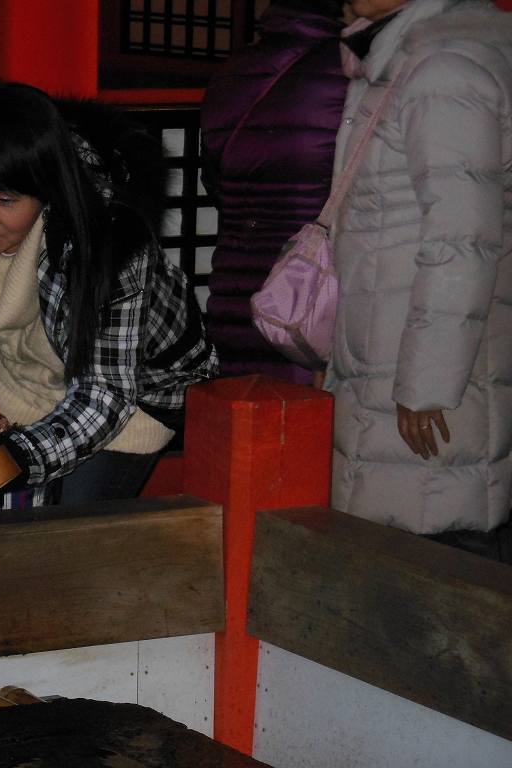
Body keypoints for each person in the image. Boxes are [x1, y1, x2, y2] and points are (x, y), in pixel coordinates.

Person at [0, 80, 218, 513]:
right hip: (18, 386)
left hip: (128, 403)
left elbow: (105, 396)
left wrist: (1, 467)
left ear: (48, 191)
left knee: (60, 534)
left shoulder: (109, 240)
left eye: (5, 199)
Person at [326, 0, 512, 558]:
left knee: (436, 542)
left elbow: (463, 240)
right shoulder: (406, 59)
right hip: (388, 354)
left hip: (423, 375)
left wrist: (427, 384)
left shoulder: (445, 70)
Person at [200, 0, 348, 385]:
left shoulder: (231, 71)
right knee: (307, 412)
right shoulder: (349, 69)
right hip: (308, 289)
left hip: (233, 280)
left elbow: (215, 182)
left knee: (244, 406)